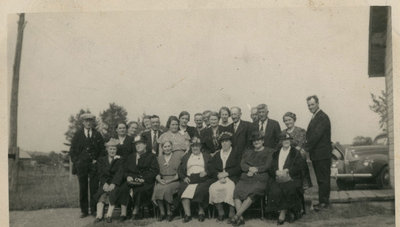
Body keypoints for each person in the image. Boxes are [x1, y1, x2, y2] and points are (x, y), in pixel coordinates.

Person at [231, 131, 274, 226]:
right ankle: (240, 218)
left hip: (260, 176)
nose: (256, 142)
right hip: (246, 176)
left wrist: (256, 169)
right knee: (237, 191)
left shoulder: (270, 151)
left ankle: (236, 215)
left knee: (253, 191)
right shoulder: (248, 151)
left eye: (258, 140)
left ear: (263, 141)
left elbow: (268, 165)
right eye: (254, 141)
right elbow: (242, 164)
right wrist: (249, 168)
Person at [70, 113, 105, 218]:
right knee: (83, 187)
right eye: (86, 121)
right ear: (83, 122)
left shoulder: (97, 134)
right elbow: (72, 151)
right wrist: (77, 162)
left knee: (94, 187)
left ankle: (94, 210)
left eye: (90, 121)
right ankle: (84, 211)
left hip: (94, 165)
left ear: (93, 122)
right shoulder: (78, 135)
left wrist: (97, 161)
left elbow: (102, 151)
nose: (88, 123)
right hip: (82, 166)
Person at [267, 133, 305, 225]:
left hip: (291, 177)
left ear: (290, 141)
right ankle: (283, 211)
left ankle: (282, 214)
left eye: (288, 140)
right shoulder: (276, 153)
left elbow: (299, 166)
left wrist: (288, 171)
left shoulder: (295, 152)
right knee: (274, 189)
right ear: (281, 141)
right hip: (277, 177)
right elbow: (271, 167)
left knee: (287, 188)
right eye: (284, 140)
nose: (286, 141)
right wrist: (276, 171)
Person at [120, 135, 159, 220]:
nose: (138, 146)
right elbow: (125, 170)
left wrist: (143, 178)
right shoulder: (131, 157)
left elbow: (154, 171)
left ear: (145, 145)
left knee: (139, 190)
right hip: (132, 180)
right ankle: (123, 214)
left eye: (140, 144)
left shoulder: (151, 156)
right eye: (136, 144)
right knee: (123, 188)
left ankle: (135, 211)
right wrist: (127, 177)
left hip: (145, 182)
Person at [304, 95, 332, 211]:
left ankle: (324, 203)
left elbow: (316, 136)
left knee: (323, 179)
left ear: (318, 103)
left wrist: (305, 147)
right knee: (321, 179)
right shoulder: (315, 116)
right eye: (309, 105)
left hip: (322, 154)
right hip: (317, 154)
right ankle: (322, 201)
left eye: (312, 104)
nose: (310, 107)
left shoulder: (322, 117)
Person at [208, 132, 241, 222]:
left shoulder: (236, 153)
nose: (224, 143)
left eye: (226, 141)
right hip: (219, 177)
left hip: (232, 177)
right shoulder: (217, 154)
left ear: (231, 142)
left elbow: (239, 167)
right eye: (222, 142)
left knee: (230, 188)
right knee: (213, 188)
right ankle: (220, 211)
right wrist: (218, 175)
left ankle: (231, 210)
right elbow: (210, 167)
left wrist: (227, 173)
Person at [178, 137, 213, 223]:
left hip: (202, 179)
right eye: (193, 146)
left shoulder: (206, 156)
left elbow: (212, 168)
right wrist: (184, 177)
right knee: (183, 188)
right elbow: (180, 169)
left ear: (200, 146)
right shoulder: (186, 157)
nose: (195, 148)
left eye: (197, 146)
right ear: (191, 147)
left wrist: (206, 172)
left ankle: (201, 212)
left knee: (200, 189)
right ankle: (188, 214)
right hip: (190, 179)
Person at [93, 139, 126, 223]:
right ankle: (99, 216)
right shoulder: (101, 160)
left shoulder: (120, 160)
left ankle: (109, 215)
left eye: (114, 149)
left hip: (115, 183)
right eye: (110, 149)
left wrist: (114, 183)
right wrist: (104, 183)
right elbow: (100, 173)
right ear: (107, 149)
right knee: (102, 195)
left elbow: (120, 173)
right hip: (105, 183)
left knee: (113, 194)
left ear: (116, 150)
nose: (112, 151)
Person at [152, 141, 182, 222]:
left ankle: (169, 212)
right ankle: (162, 213)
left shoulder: (177, 158)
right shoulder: (159, 158)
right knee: (158, 188)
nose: (167, 148)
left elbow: (179, 173)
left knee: (166, 189)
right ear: (162, 148)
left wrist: (170, 180)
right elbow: (156, 172)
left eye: (169, 146)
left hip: (174, 180)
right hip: (162, 180)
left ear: (172, 147)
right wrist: (159, 180)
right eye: (165, 147)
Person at [282, 112, 312, 190]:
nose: (288, 122)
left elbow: (300, 145)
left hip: (297, 157)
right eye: (286, 120)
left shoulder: (301, 131)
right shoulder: (283, 133)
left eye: (289, 120)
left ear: (294, 120)